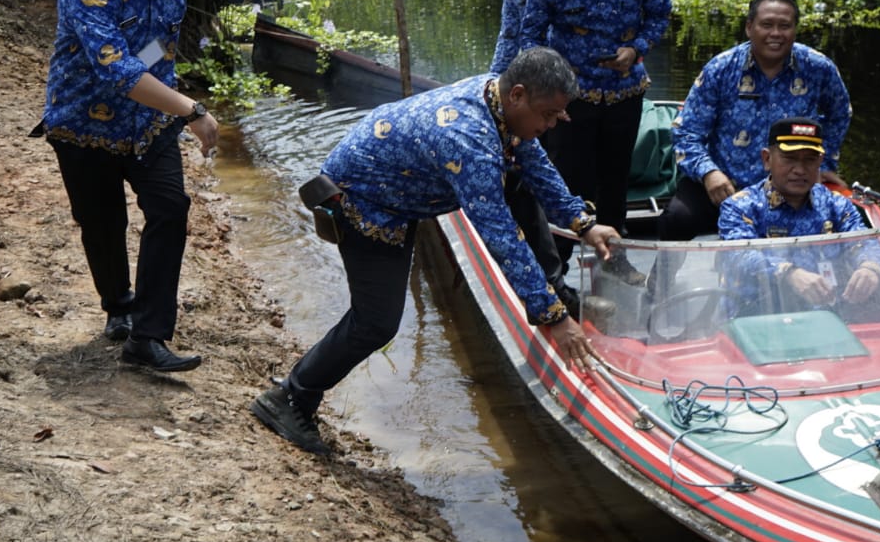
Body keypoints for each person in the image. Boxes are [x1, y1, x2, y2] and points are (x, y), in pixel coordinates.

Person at [250, 48, 622, 455]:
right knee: (375, 323)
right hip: (365, 202)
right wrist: (554, 318)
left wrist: (581, 223)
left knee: (518, 179)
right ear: (517, 94)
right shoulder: (468, 139)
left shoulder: (496, 96)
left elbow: (532, 161)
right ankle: (290, 398)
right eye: (548, 115)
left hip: (399, 191)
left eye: (557, 116)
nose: (551, 125)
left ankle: (553, 292)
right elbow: (500, 237)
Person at [34, 0, 219, 373]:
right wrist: (192, 110)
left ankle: (149, 335)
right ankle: (118, 307)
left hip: (148, 124)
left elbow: (159, 47)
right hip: (82, 125)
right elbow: (118, 70)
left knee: (169, 208)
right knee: (103, 223)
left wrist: (168, 100)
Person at [520, 0, 672, 284]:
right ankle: (556, 268)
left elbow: (659, 16)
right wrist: (547, 89)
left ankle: (613, 260)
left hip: (624, 93)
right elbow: (531, 35)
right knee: (566, 178)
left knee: (615, 179)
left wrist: (635, 50)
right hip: (570, 99)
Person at [661, 0, 852, 245]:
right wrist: (709, 173)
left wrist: (824, 162)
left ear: (795, 29)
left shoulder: (819, 68)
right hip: (726, 184)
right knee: (676, 219)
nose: (775, 34)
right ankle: (660, 280)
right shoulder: (721, 68)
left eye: (784, 26)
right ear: (750, 27)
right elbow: (686, 133)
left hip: (792, 184)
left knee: (839, 223)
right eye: (767, 25)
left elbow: (841, 114)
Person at [487, 0, 578, 316]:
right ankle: (547, 266)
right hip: (531, 95)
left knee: (554, 170)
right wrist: (492, 92)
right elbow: (509, 41)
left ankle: (558, 265)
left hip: (559, 92)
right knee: (528, 173)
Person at [717, 118, 880, 313]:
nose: (799, 170)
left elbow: (865, 241)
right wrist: (788, 273)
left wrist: (870, 267)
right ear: (767, 159)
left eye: (810, 160)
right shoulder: (739, 206)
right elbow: (740, 255)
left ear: (820, 162)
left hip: (826, 314)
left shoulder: (835, 203)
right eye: (789, 158)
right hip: (756, 314)